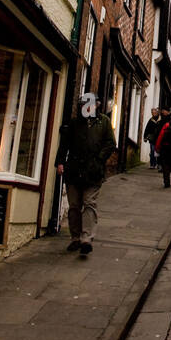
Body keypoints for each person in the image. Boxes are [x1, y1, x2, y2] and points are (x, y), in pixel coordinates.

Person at [54, 97, 116, 256]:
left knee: (89, 203)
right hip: (74, 170)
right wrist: (60, 162)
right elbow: (65, 144)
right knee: (74, 206)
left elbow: (110, 143)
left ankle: (86, 239)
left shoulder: (103, 122)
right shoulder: (75, 123)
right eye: (83, 105)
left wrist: (99, 159)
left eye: (89, 105)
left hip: (93, 171)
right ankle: (75, 238)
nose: (86, 108)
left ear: (96, 105)